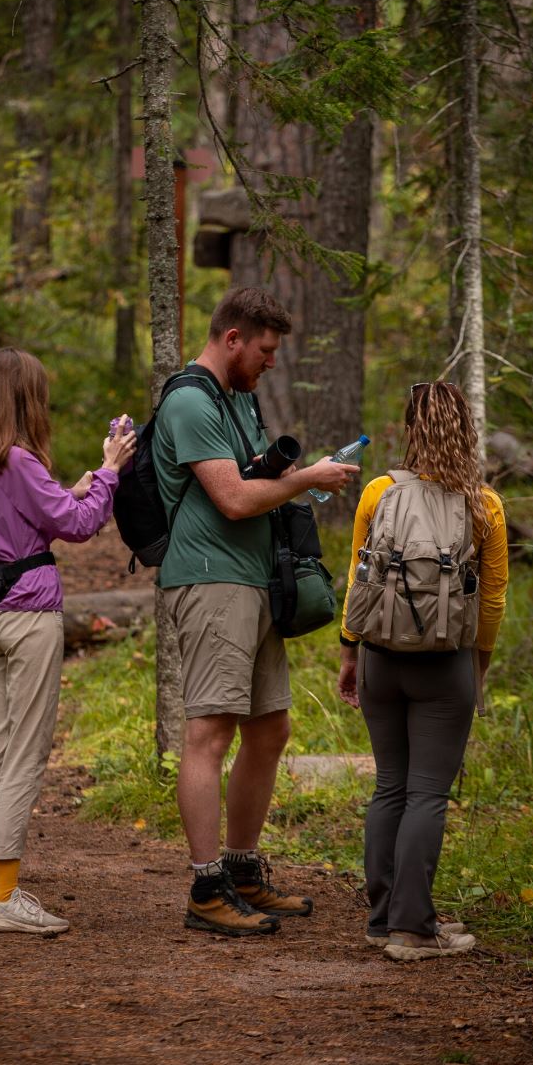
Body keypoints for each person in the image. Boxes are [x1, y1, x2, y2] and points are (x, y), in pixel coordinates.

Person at [153, 287, 361, 937]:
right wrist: (309, 477)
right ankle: (206, 886)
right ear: (233, 337)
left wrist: (295, 477)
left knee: (269, 731)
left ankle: (243, 872)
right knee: (209, 733)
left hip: (253, 582)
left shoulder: (237, 397)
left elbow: (254, 482)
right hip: (212, 582)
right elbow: (236, 499)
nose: (272, 362)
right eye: (265, 350)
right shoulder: (190, 401)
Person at [0, 347, 136, 936]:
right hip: (30, 617)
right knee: (24, 754)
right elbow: (74, 527)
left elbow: (39, 517)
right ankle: (3, 895)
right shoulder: (21, 460)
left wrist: (77, 486)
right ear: (27, 398)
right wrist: (109, 471)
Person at [337, 381, 508, 960]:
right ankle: (414, 931)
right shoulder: (484, 504)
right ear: (467, 431)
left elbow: (359, 577)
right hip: (444, 664)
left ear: (409, 427)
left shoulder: (380, 492)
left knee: (390, 786)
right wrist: (475, 667)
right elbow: (492, 601)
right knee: (428, 795)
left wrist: (348, 650)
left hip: (379, 657)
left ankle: (383, 921)